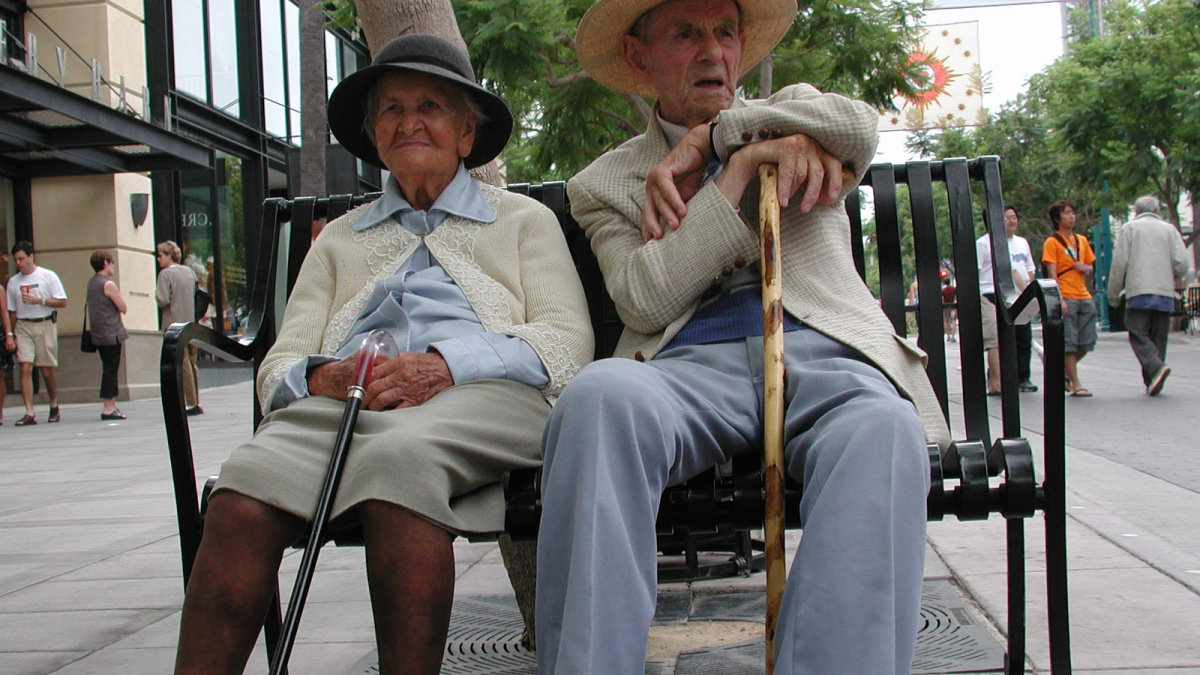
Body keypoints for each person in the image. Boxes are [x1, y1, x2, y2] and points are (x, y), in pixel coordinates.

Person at [535, 0, 950, 672]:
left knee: (886, 431)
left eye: (726, 33)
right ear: (639, 56)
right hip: (686, 366)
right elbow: (645, 294)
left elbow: (860, 126)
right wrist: (733, 178)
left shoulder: (797, 108)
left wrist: (719, 139)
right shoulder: (604, 183)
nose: (713, 52)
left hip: (823, 350)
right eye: (686, 33)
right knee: (598, 399)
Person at [171, 34, 592, 675]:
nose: (408, 120)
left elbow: (566, 342)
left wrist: (449, 363)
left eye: (430, 104)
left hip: (481, 397)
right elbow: (277, 366)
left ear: (465, 135)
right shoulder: (340, 238)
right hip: (349, 402)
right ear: (375, 135)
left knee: (399, 464)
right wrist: (324, 376)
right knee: (242, 492)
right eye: (391, 109)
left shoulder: (524, 221)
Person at [1106, 195, 1189, 395]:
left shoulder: (1130, 228)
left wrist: (1113, 295)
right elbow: (1182, 263)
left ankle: (1155, 367)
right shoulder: (1170, 230)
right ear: (1157, 210)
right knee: (1159, 337)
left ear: (1136, 211)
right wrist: (1175, 275)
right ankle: (1152, 380)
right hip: (1164, 292)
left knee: (1137, 332)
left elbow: (1119, 264)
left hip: (1138, 291)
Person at [977, 206, 1038, 394]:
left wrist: (1030, 293)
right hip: (990, 294)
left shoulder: (1021, 243)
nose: (1011, 221)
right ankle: (996, 381)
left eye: (1014, 217)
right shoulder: (984, 243)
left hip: (1018, 296)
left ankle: (1022, 377)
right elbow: (975, 271)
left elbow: (1028, 270)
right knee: (995, 340)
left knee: (1023, 337)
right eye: (1006, 218)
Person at [6, 241, 68, 426]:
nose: (18, 263)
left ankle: (53, 403)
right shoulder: (13, 282)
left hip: (44, 323)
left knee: (46, 370)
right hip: (23, 326)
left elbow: (62, 302)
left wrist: (39, 301)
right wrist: (12, 334)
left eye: (21, 258)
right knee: (25, 367)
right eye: (16, 259)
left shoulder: (47, 276)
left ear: (31, 256)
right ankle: (29, 412)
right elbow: (12, 311)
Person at [1041, 200, 1096, 397]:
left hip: (1084, 294)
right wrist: (1060, 299)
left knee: (1088, 340)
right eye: (1066, 213)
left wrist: (1086, 268)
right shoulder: (1052, 243)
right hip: (1067, 294)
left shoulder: (1081, 240)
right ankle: (1076, 383)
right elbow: (1051, 273)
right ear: (1057, 219)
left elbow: (1090, 266)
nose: (1071, 217)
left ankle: (1062, 370)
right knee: (1070, 341)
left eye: (1072, 213)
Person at [156, 240, 202, 415]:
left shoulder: (165, 274)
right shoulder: (189, 272)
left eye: (160, 255)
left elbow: (163, 299)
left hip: (174, 324)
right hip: (190, 322)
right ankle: (195, 399)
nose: (158, 259)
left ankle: (190, 402)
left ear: (169, 255)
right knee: (191, 361)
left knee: (182, 363)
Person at [87, 250, 130, 419]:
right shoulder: (108, 284)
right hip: (111, 333)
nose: (113, 266)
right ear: (105, 263)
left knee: (108, 367)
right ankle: (108, 406)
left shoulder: (91, 283)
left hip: (98, 333)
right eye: (111, 263)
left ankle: (111, 404)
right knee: (111, 369)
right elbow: (122, 306)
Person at [941, 276, 957, 342]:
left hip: (946, 306)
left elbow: (942, 299)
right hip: (953, 306)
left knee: (946, 321)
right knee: (954, 321)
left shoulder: (943, 290)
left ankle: (948, 336)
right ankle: (953, 336)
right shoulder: (954, 289)